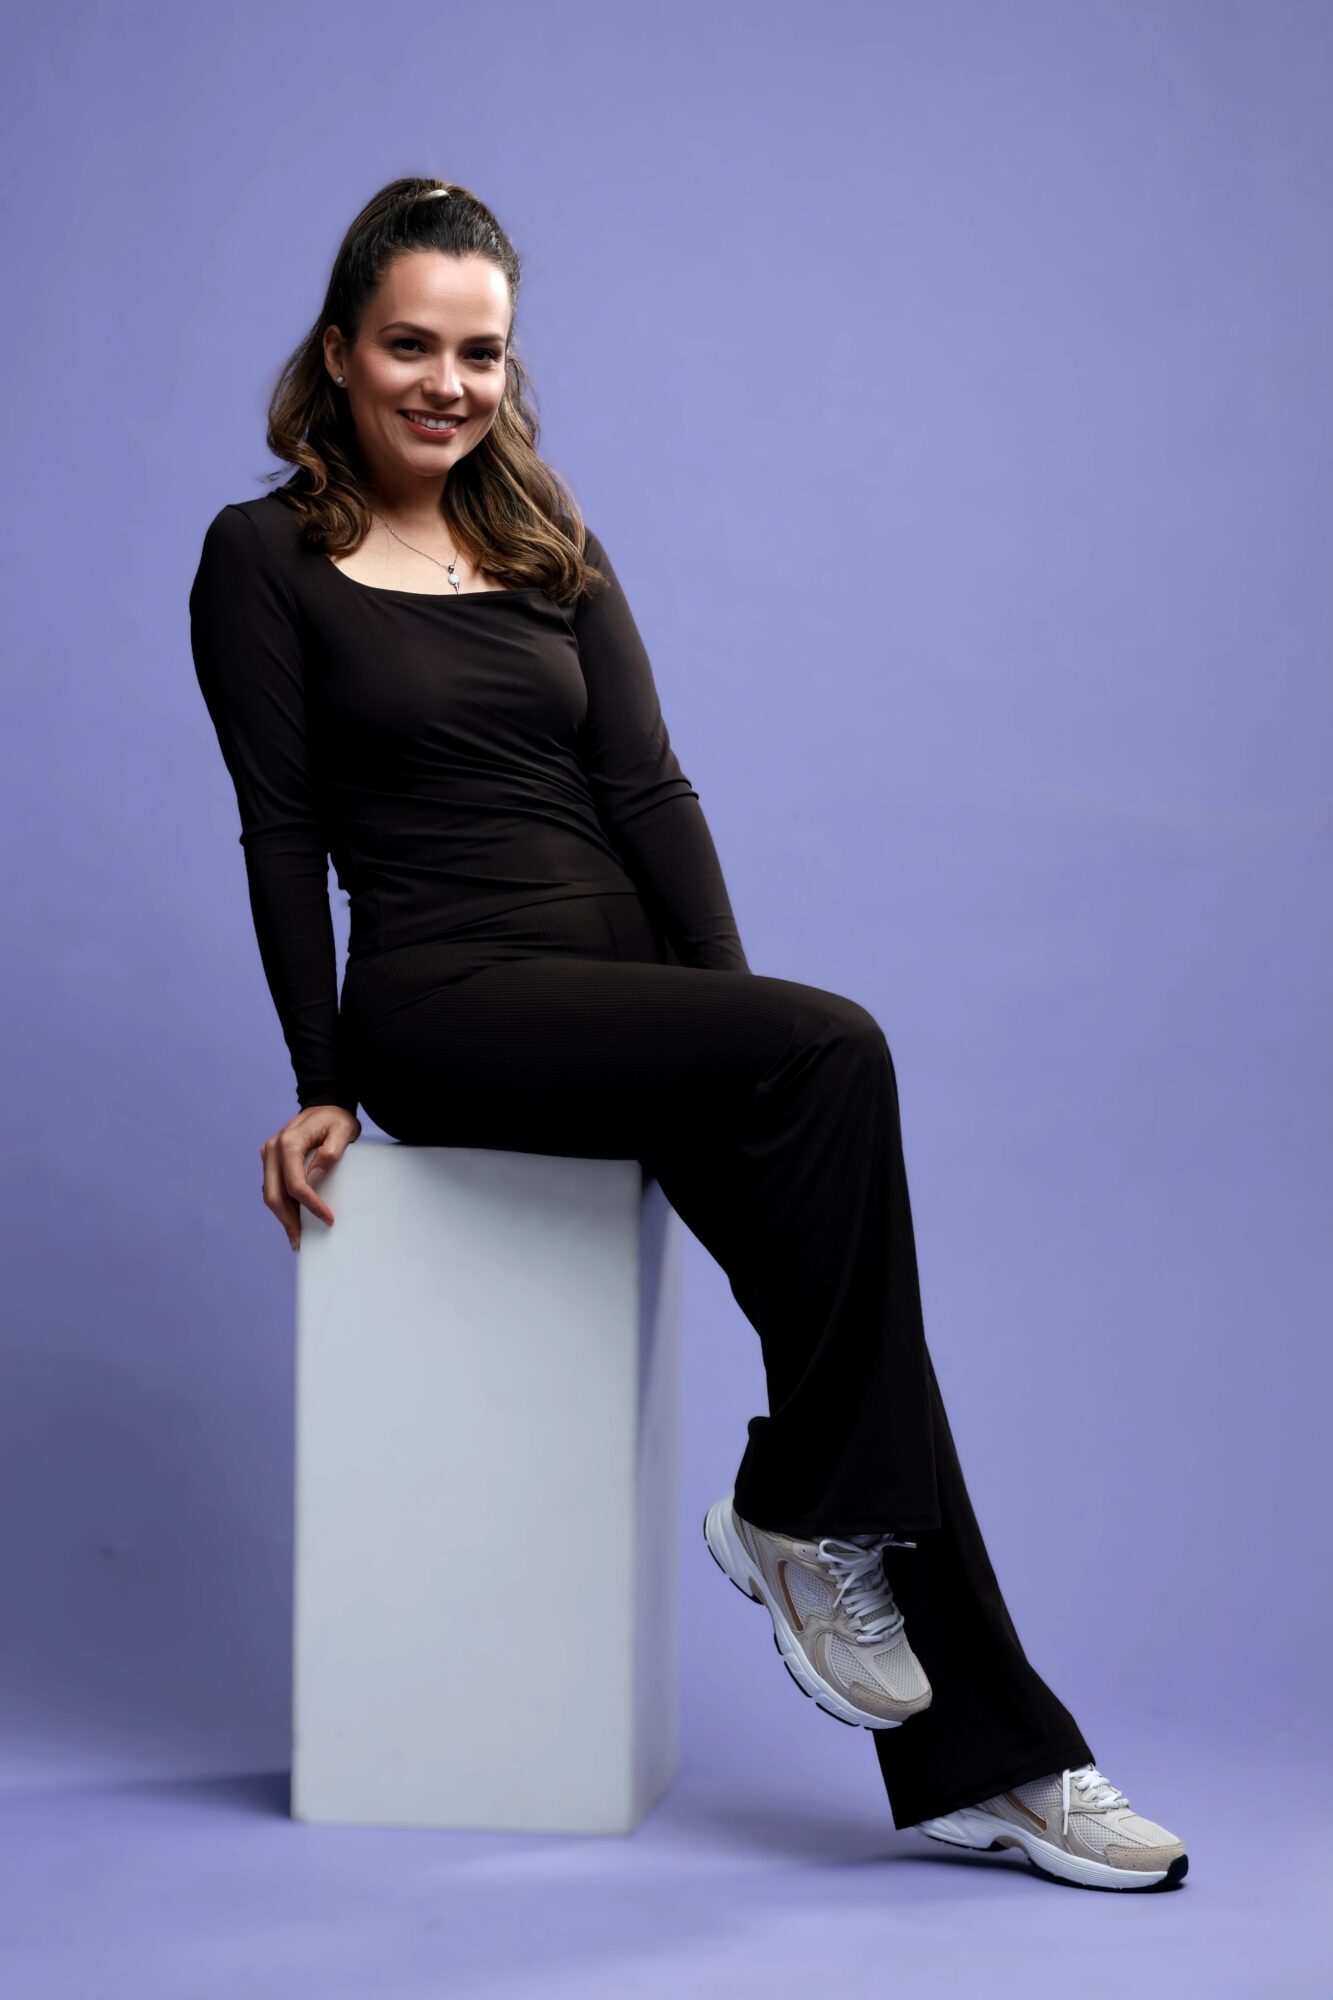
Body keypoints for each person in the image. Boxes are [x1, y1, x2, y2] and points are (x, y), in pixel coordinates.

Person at [189, 174, 1187, 1892]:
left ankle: (998, 1759)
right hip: (448, 1003)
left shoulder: (544, 539)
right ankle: (798, 1518)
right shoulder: (263, 556)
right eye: (410, 345)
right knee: (839, 1056)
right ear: (341, 352)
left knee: (856, 1333)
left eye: (480, 352)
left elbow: (647, 791)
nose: (446, 381)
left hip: (624, 1000)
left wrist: (720, 1018)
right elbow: (278, 830)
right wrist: (319, 1079)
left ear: (511, 365)